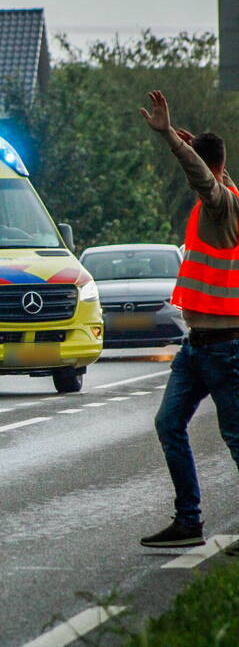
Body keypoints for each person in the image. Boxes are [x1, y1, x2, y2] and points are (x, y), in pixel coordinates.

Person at [138, 90, 239, 548]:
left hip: (226, 347)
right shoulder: (228, 192)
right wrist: (188, 140)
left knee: (236, 438)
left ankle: (190, 520)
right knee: (168, 425)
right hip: (196, 347)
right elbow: (213, 167)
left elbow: (206, 179)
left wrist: (174, 145)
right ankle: (189, 522)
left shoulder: (222, 206)